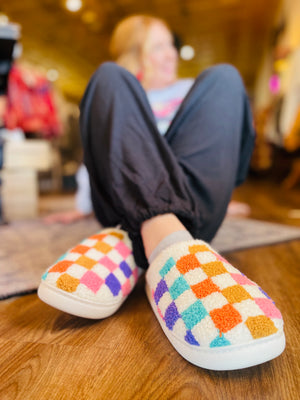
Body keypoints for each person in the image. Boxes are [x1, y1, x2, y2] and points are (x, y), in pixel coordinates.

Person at [38, 15, 285, 371]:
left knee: (226, 79)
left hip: (191, 200)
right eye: (159, 46)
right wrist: (81, 204)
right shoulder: (123, 90)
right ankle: (168, 243)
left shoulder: (194, 93)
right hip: (129, 190)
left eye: (171, 44)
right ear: (136, 54)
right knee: (106, 78)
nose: (171, 54)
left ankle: (131, 239)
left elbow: (217, 148)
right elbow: (98, 160)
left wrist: (223, 194)